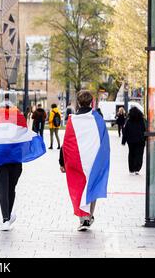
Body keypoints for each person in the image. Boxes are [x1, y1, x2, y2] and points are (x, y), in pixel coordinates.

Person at [0, 95, 46, 231]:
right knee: (10, 188)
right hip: (15, 159)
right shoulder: (19, 117)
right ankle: (7, 217)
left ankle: (6, 218)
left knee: (3, 188)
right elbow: (24, 134)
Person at [59, 90, 110, 231]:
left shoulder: (73, 120)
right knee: (92, 185)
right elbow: (104, 140)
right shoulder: (98, 119)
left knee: (79, 186)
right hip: (94, 159)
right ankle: (89, 216)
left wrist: (62, 162)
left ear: (78, 102)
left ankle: (83, 218)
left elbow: (66, 143)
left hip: (77, 161)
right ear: (91, 102)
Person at [121, 107, 146, 175]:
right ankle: (137, 168)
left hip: (131, 141)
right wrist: (145, 139)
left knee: (131, 154)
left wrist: (123, 141)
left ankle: (131, 169)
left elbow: (126, 131)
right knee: (139, 154)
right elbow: (144, 130)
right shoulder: (141, 121)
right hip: (140, 141)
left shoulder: (129, 121)